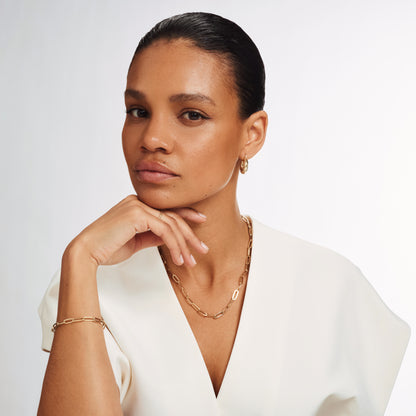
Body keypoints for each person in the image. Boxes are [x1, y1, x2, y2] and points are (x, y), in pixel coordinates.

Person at [37, 12, 410, 416]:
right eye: (138, 111)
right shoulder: (89, 283)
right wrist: (80, 257)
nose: (152, 138)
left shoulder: (332, 289)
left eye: (191, 114)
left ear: (252, 135)